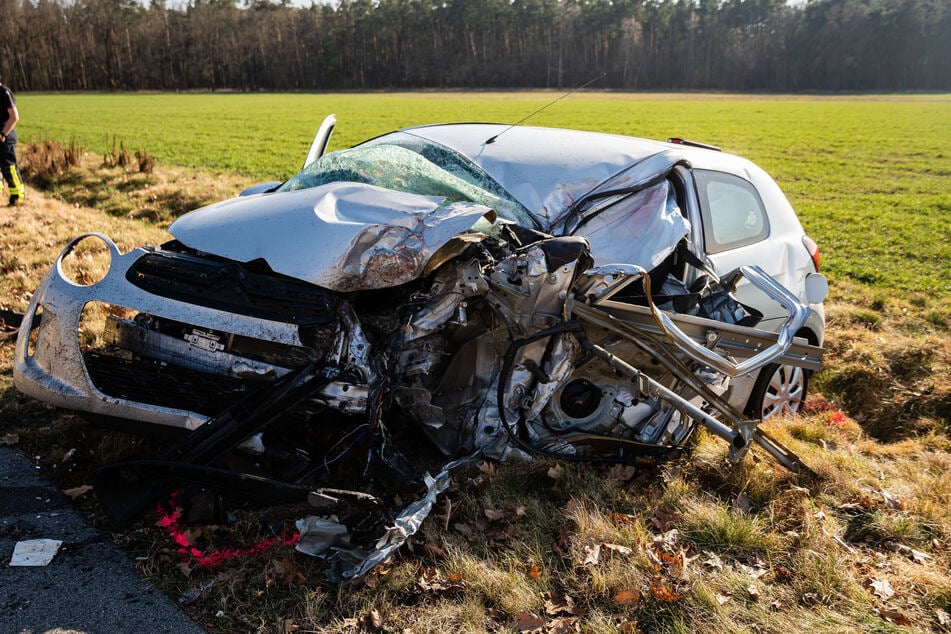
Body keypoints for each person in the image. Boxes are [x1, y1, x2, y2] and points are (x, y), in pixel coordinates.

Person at [0, 77, 24, 206]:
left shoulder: (4, 93)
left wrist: (3, 134)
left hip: (5, 137)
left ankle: (17, 197)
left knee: (9, 168)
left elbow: (15, 117)